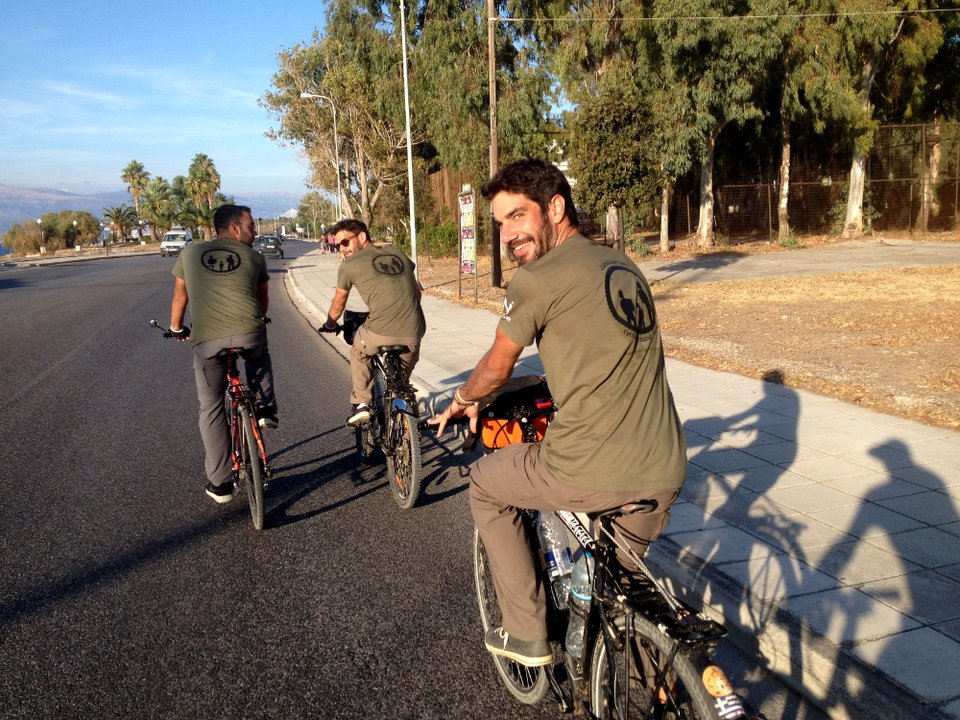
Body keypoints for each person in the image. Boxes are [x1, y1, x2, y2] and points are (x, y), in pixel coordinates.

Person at [430, 160, 687, 667]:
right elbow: (599, 347)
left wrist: (463, 400)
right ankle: (663, 678)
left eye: (518, 216)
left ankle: (526, 633)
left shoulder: (537, 278)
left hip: (590, 466)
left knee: (485, 482)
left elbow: (496, 368)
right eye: (499, 223)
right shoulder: (620, 264)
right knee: (626, 590)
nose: (507, 234)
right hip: (665, 464)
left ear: (555, 207)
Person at [167, 204, 279, 505]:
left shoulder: (189, 255)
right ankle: (266, 408)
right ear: (234, 228)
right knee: (257, 354)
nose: (256, 232)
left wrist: (177, 328)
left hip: (208, 342)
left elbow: (180, 296)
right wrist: (257, 320)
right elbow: (262, 299)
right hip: (249, 331)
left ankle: (221, 484)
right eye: (252, 226)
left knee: (212, 407)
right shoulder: (255, 258)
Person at [319, 219, 426, 427]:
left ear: (361, 236)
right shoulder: (397, 252)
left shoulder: (348, 265)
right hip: (414, 331)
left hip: (379, 331)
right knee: (400, 384)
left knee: (358, 350)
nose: (341, 249)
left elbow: (338, 304)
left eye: (345, 242)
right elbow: (417, 292)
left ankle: (361, 404)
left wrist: (331, 324)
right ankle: (402, 411)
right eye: (337, 244)